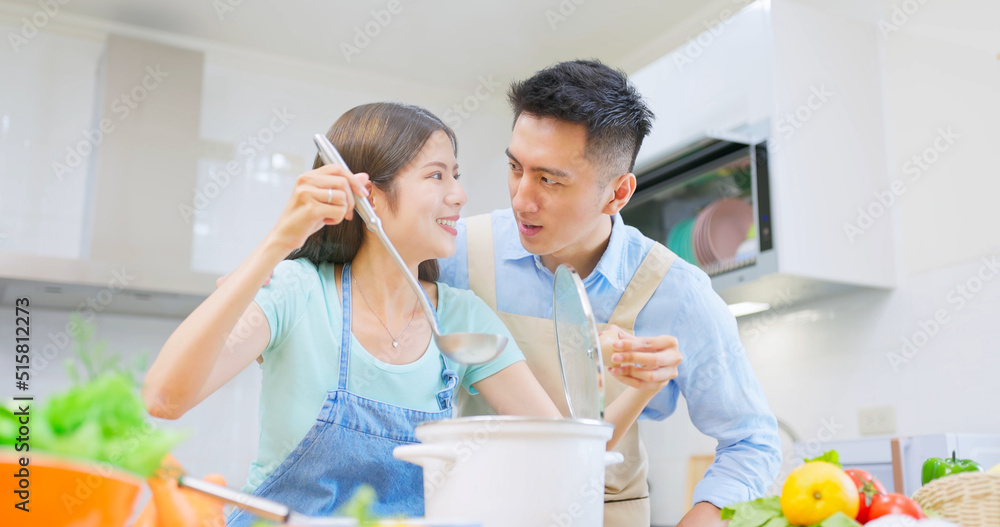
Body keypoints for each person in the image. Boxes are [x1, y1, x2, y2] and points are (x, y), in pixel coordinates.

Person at [141, 102, 675, 524]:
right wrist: (281, 240)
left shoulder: (463, 320)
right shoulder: (297, 290)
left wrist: (642, 388)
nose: (460, 195)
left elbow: (566, 460)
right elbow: (165, 398)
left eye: (457, 176)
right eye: (437, 176)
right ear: (368, 194)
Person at [437, 60, 782, 527]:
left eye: (550, 180)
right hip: (476, 511)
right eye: (516, 168)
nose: (521, 198)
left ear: (617, 194)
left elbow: (751, 440)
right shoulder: (457, 253)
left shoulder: (678, 294)